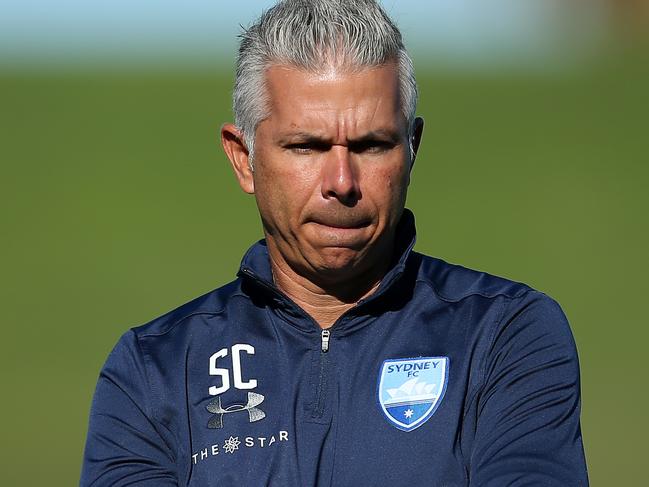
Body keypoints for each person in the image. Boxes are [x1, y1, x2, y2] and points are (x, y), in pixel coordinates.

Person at [80, 1, 589, 485]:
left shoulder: (505, 336)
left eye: (371, 145)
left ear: (412, 151)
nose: (342, 181)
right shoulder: (155, 370)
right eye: (307, 146)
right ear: (244, 158)